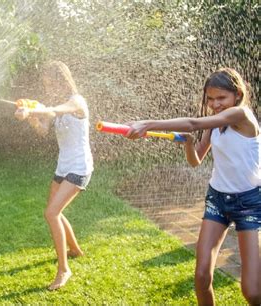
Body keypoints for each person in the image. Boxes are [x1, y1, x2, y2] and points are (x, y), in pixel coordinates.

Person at [126, 68, 260, 305]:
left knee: (252, 292)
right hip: (217, 199)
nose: (215, 104)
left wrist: (147, 124)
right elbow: (195, 160)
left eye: (221, 98)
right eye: (210, 99)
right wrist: (188, 142)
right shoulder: (213, 125)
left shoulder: (242, 115)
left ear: (237, 95)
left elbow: (191, 122)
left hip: (249, 203)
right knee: (201, 275)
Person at [14, 60, 93, 290]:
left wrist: (34, 109)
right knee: (55, 212)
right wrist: (32, 119)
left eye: (51, 83)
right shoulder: (52, 107)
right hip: (63, 166)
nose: (48, 88)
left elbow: (58, 110)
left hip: (79, 167)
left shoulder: (76, 101)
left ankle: (64, 270)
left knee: (51, 213)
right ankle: (76, 250)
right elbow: (43, 131)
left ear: (62, 81)